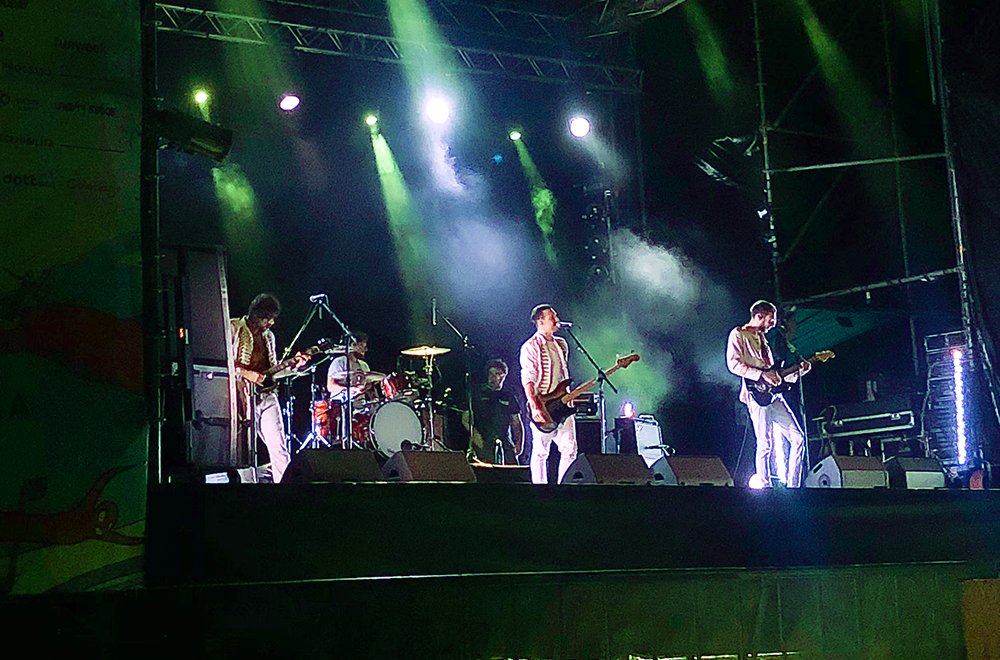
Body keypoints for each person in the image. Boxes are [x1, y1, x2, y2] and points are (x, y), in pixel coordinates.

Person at [726, 300, 810, 488]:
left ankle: (794, 486)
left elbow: (776, 375)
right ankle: (765, 486)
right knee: (765, 442)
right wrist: (761, 375)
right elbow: (733, 364)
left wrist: (799, 372)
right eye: (771, 319)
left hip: (774, 395)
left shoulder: (763, 339)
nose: (773, 324)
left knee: (798, 438)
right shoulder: (739, 334)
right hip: (756, 394)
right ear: (759, 316)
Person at [231, 293, 308, 483]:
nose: (271, 323)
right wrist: (246, 373)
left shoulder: (269, 336)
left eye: (273, 318)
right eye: (267, 318)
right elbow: (225, 363)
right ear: (256, 314)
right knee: (243, 449)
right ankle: (247, 488)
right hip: (241, 396)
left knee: (278, 445)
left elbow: (273, 370)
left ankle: (286, 486)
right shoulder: (234, 327)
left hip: (267, 395)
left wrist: (295, 366)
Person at [520, 304, 577, 484]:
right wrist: (535, 406)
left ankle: (564, 487)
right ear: (540, 321)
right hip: (544, 404)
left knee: (570, 449)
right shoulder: (530, 346)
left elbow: (563, 375)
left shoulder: (561, 344)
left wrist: (567, 396)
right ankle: (540, 489)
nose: (556, 320)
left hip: (562, 404)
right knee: (540, 451)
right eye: (552, 317)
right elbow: (528, 379)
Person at [463, 358, 525, 464]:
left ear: (503, 376)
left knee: (511, 471)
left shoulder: (509, 396)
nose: (493, 377)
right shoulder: (477, 394)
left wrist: (519, 443)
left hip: (505, 443)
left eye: (497, 374)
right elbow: (465, 419)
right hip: (484, 442)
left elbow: (516, 422)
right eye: (490, 374)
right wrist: (477, 438)